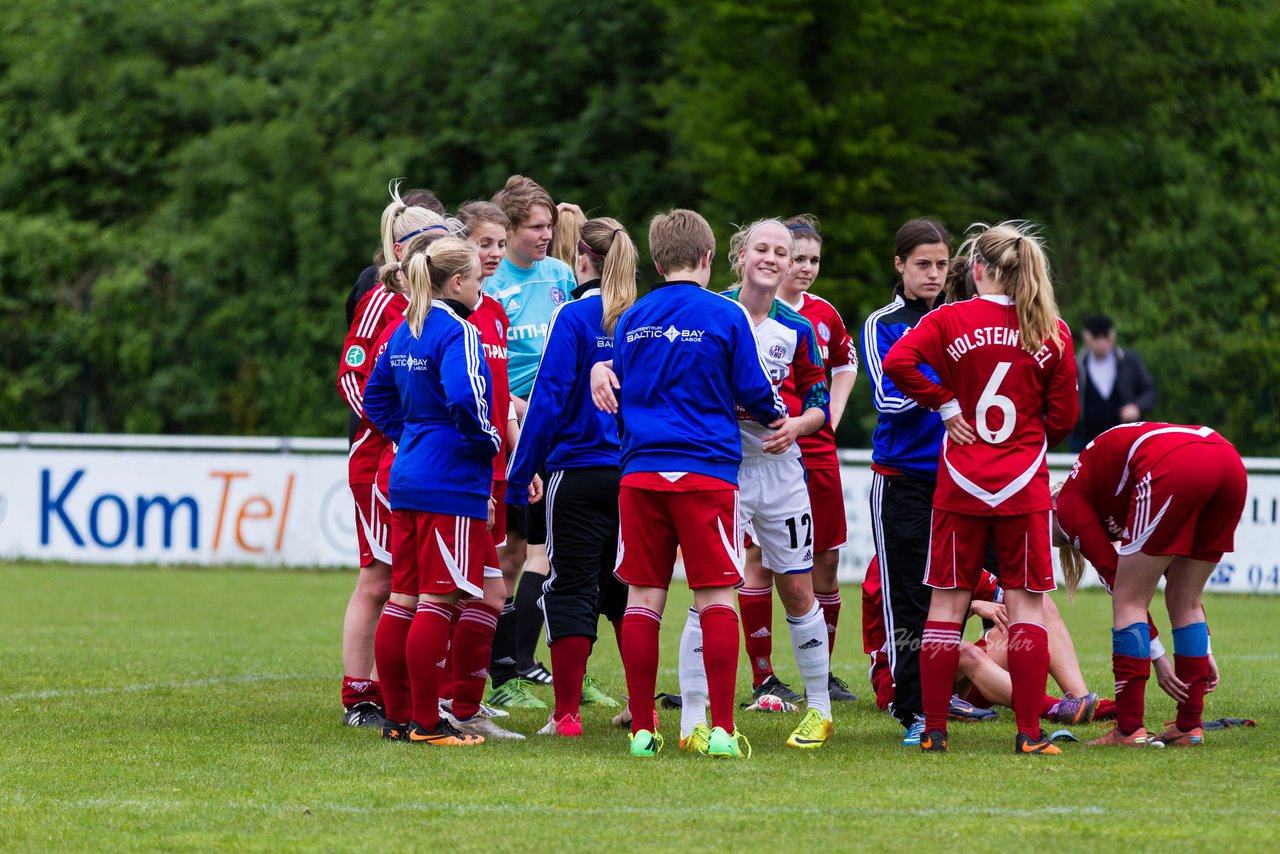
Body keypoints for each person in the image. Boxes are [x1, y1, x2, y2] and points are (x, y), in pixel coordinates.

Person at [597, 208, 787, 758]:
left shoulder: (633, 317)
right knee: (717, 598)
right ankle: (724, 730)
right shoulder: (726, 316)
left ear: (657, 262)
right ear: (708, 259)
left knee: (643, 599)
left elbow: (623, 390)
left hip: (642, 472)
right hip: (706, 472)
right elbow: (756, 392)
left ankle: (641, 731)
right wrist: (775, 412)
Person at [883, 220, 1079, 755]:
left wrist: (945, 405)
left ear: (976, 270)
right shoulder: (1049, 328)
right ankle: (1030, 735)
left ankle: (935, 731)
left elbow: (900, 362)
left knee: (944, 608)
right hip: (1023, 486)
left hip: (960, 484)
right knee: (1027, 607)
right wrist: (1029, 434)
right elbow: (1064, 418)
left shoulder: (949, 317)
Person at [673, 217, 833, 752]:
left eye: (781, 252)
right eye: (760, 248)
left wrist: (797, 425)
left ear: (791, 265)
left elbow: (818, 402)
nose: (771, 258)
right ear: (739, 255)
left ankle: (819, 709)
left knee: (796, 587)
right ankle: (694, 718)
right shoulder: (712, 312)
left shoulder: (799, 329)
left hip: (780, 470)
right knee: (711, 589)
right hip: (719, 466)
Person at [363, 236, 518, 746]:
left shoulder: (404, 328)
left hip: (407, 478)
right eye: (477, 277)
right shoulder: (457, 330)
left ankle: (399, 719)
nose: (482, 285)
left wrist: (411, 436)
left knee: (402, 599)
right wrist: (487, 442)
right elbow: (468, 399)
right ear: (457, 282)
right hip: (449, 480)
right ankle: (430, 724)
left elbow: (374, 399)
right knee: (438, 599)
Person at [506, 216, 638, 736]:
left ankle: (565, 717)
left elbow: (546, 401)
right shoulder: (643, 316)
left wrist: (522, 474)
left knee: (569, 590)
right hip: (635, 476)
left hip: (576, 475)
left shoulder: (574, 316)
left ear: (581, 258)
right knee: (630, 592)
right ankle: (640, 708)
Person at [332, 185, 452, 728]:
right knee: (380, 578)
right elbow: (354, 378)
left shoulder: (436, 305)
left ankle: (408, 693)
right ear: (404, 251)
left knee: (411, 579)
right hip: (380, 457)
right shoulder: (382, 299)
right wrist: (402, 433)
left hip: (414, 460)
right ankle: (360, 697)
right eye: (431, 245)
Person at [1053, 422, 1246, 747]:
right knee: (1184, 598)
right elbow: (1181, 588)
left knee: (1128, 601)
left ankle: (1128, 729)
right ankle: (1188, 726)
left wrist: (1159, 659)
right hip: (1227, 459)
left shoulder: (1064, 506)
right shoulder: (1096, 492)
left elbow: (1117, 582)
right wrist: (1204, 648)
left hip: (1173, 463)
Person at [484, 175, 577, 703]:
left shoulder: (559, 275)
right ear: (510, 230)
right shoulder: (492, 284)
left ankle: (522, 664)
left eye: (549, 226)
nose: (546, 235)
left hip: (558, 430)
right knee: (512, 551)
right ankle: (502, 670)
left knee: (541, 551)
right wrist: (515, 409)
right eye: (535, 227)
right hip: (515, 431)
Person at [859, 217, 951, 745]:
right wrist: (948, 390)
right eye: (922, 264)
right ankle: (910, 706)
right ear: (899, 265)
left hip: (963, 480)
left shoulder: (963, 320)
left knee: (963, 590)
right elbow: (889, 399)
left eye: (941, 264)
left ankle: (952, 691)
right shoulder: (883, 324)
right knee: (910, 594)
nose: (933, 274)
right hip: (902, 479)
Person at [861, 558, 1111, 724]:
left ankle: (1084, 702)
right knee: (965, 652)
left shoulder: (954, 555)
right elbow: (913, 629)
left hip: (953, 677)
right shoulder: (890, 561)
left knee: (1039, 604)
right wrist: (973, 605)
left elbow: (1018, 601)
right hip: (903, 682)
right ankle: (1054, 709)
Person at [1071, 314, 1158, 450]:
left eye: (1105, 335)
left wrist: (1137, 406)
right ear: (1086, 337)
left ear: (1113, 336)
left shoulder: (1130, 361)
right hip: (1086, 439)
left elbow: (1150, 390)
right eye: (1096, 336)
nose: (1101, 340)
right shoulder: (1076, 365)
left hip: (1126, 436)